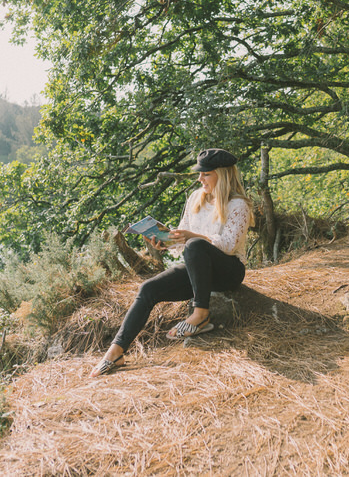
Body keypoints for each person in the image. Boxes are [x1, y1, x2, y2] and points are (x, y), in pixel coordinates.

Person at [90, 148, 254, 377]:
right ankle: (115, 352)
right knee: (148, 289)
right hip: (198, 270)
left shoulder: (238, 205)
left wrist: (193, 238)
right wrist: (166, 243)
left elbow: (227, 245)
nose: (200, 179)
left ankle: (200, 315)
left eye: (206, 174)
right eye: (199, 174)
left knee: (195, 245)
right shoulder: (195, 198)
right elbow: (183, 245)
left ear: (222, 174)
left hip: (228, 270)